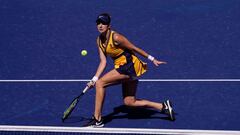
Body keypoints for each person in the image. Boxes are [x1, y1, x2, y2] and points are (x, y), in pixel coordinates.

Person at [85, 13, 175, 127]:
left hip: (129, 66)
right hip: (123, 67)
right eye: (98, 23)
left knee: (100, 84)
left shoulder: (116, 37)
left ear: (109, 26)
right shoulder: (99, 41)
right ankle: (163, 106)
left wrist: (152, 59)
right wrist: (94, 78)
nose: (100, 25)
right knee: (129, 102)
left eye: (103, 23)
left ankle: (97, 119)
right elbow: (103, 62)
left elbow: (134, 48)